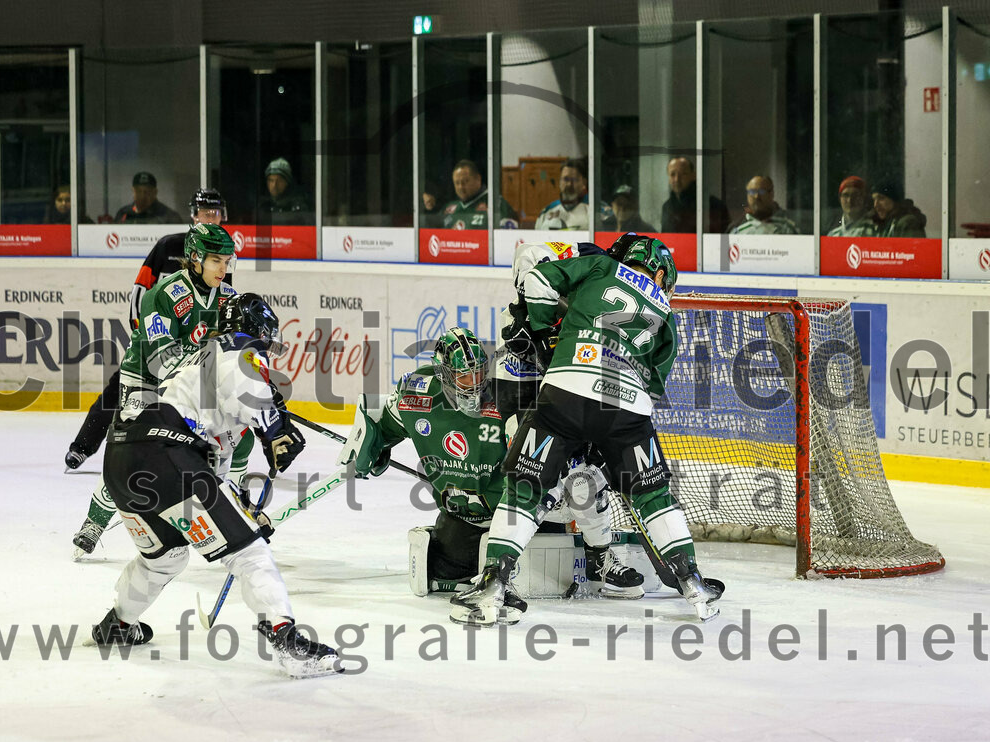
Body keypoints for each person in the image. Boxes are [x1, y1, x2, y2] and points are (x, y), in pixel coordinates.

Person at [450, 237, 722, 626]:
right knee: (653, 495)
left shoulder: (600, 267)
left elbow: (540, 281)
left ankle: (493, 583)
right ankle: (692, 581)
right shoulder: (666, 311)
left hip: (565, 392)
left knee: (525, 489)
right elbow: (656, 383)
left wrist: (544, 333)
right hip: (628, 409)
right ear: (660, 274)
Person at [89, 293, 340, 678]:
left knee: (165, 558)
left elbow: (211, 470)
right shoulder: (240, 348)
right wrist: (275, 430)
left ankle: (118, 624)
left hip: (124, 460)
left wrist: (243, 512)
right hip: (166, 456)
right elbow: (251, 385)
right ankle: (287, 642)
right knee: (250, 555)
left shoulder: (199, 360)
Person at [337, 326, 643, 606]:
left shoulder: (508, 398)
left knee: (583, 482)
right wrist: (366, 448)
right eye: (464, 377)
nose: (474, 384)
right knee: (440, 579)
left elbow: (544, 461)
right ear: (444, 375)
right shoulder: (417, 394)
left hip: (520, 514)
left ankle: (600, 558)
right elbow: (377, 416)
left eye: (479, 373)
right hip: (462, 519)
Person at [71, 223, 244, 559]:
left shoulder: (228, 300)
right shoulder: (163, 294)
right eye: (216, 261)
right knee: (132, 454)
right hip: (145, 380)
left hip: (190, 382)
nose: (224, 269)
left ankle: (219, 519)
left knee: (223, 446)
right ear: (195, 258)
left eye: (228, 261)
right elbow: (160, 362)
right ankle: (94, 522)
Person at [65, 189, 232, 472]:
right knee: (118, 391)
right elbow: (141, 287)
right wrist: (144, 332)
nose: (209, 217)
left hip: (188, 349)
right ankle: (82, 446)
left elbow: (217, 309)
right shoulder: (168, 245)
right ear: (194, 215)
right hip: (157, 339)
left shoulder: (221, 256)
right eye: (204, 212)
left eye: (214, 213)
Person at [435, 159, 517, 230]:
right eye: (457, 183)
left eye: (465, 182)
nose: (460, 187)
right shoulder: (449, 208)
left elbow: (507, 236)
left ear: (478, 179)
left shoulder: (495, 203)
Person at [660, 157, 730, 234]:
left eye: (683, 174)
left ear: (693, 175)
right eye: (672, 174)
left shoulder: (712, 205)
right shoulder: (667, 207)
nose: (677, 179)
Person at [727, 175, 800, 235]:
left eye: (761, 191)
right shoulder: (736, 228)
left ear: (771, 194)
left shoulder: (787, 227)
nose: (756, 196)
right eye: (752, 191)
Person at [534, 157, 591, 231]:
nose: (569, 184)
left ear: (584, 182)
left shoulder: (595, 211)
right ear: (559, 182)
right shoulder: (546, 212)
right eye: (566, 179)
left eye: (574, 179)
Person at [113, 172, 183, 224]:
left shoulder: (169, 216)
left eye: (147, 191)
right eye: (139, 191)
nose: (143, 195)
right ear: (133, 191)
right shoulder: (124, 214)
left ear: (155, 192)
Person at [257, 157, 311, 225]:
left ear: (287, 182)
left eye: (279, 181)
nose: (274, 185)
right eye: (271, 180)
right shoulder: (262, 206)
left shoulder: (298, 207)